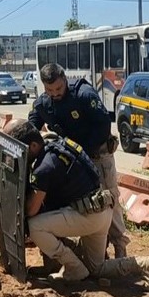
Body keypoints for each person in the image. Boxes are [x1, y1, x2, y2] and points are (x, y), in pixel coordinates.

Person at [11, 121, 149, 289]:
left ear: (33, 145)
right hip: (101, 212)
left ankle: (74, 267)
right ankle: (146, 264)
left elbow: (32, 210)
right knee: (97, 268)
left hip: (88, 216)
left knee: (35, 226)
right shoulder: (56, 144)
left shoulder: (44, 167)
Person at [28, 63, 130, 259]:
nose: (55, 93)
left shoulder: (83, 95)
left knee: (110, 200)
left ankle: (120, 246)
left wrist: (81, 150)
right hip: (72, 162)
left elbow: (102, 127)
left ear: (65, 80)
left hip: (97, 154)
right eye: (49, 90)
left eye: (58, 88)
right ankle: (93, 248)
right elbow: (31, 126)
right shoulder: (44, 104)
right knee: (83, 203)